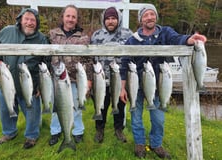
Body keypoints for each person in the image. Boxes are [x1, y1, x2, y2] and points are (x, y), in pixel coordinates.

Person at [119, 4, 207, 159]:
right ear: (140, 19)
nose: (149, 17)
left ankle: (156, 144)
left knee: (158, 119)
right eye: (145, 15)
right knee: (136, 117)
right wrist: (123, 88)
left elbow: (177, 39)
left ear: (156, 16)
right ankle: (139, 143)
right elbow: (124, 64)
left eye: (152, 14)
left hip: (158, 84)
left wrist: (189, 39)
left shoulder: (165, 32)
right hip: (136, 85)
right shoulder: (132, 39)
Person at [0, 8, 50, 149]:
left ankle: (31, 136)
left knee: (32, 112)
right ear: (20, 19)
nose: (29, 23)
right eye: (27, 19)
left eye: (33, 20)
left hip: (31, 84)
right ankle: (9, 132)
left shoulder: (42, 39)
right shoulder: (6, 31)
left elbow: (47, 61)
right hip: (6, 82)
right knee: (6, 110)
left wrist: (42, 86)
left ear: (37, 23)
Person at [48, 5, 93, 146]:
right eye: (68, 16)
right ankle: (56, 131)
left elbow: (89, 60)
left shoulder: (84, 37)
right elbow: (45, 55)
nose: (70, 19)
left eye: (73, 16)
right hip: (56, 79)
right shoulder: (52, 34)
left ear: (77, 19)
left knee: (77, 107)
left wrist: (89, 79)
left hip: (76, 80)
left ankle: (77, 131)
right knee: (56, 107)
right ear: (63, 17)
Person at [90, 7, 133, 143]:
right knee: (100, 106)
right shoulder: (96, 35)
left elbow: (132, 56)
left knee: (120, 106)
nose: (110, 21)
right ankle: (99, 129)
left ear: (118, 19)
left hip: (121, 81)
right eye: (108, 18)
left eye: (113, 18)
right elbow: (92, 58)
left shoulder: (128, 34)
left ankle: (118, 130)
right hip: (100, 80)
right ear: (104, 20)